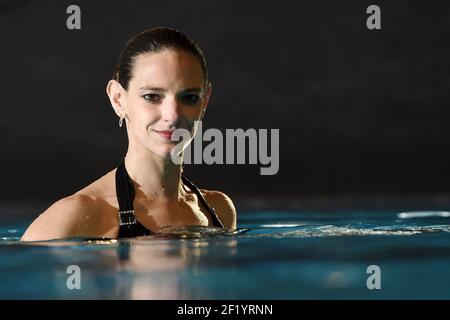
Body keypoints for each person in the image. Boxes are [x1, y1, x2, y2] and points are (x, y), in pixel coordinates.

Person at [21, 27, 237, 241]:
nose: (172, 116)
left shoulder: (219, 211)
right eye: (152, 96)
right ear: (118, 99)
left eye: (189, 98)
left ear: (205, 101)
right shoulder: (75, 217)